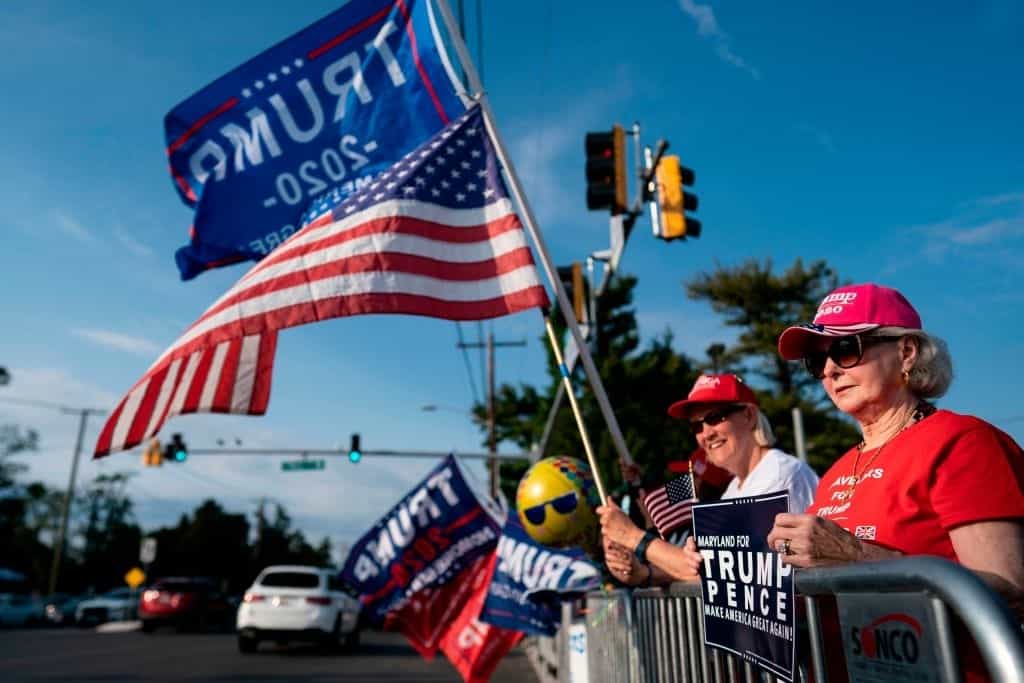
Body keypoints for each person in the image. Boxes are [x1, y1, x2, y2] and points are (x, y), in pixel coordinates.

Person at [766, 283, 1024, 681]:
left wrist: (855, 555)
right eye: (817, 360)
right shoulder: (838, 469)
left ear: (905, 352)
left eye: (846, 348)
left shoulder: (962, 442)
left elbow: (1011, 592)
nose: (830, 370)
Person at [600, 373, 819, 585]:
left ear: (749, 416)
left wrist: (631, 536)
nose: (706, 434)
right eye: (696, 426)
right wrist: (644, 574)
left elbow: (732, 570)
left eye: (714, 417)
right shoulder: (735, 487)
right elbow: (705, 567)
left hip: (803, 622)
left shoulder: (778, 474)